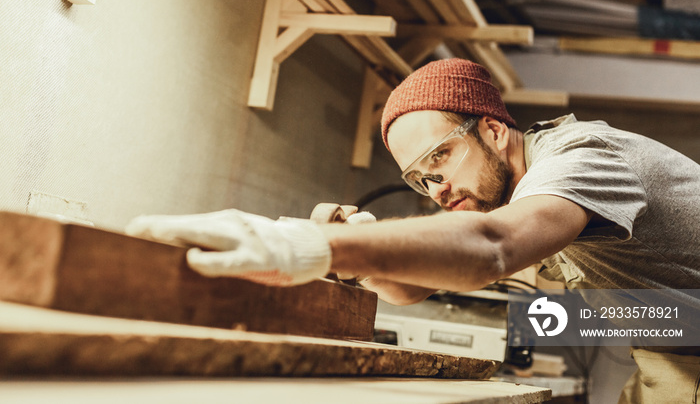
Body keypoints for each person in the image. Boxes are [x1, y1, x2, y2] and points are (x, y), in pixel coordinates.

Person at [127, 58, 700, 403]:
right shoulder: (526, 197)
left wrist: (304, 245)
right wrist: (359, 256)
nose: (438, 188)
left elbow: (490, 247)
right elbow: (415, 287)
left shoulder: (582, 161)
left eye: (443, 157)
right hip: (669, 360)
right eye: (421, 179)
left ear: (495, 131)